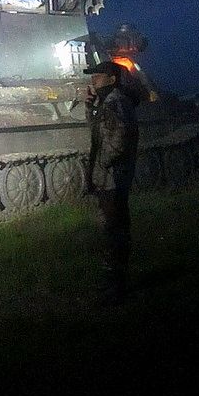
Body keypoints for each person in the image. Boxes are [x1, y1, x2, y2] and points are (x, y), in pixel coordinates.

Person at [84, 61, 140, 304]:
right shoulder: (108, 102)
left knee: (114, 230)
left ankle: (116, 286)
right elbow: (100, 132)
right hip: (109, 178)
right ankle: (114, 281)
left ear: (112, 79)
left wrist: (103, 162)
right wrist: (90, 108)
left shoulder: (116, 102)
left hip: (112, 179)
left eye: (99, 75)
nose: (94, 79)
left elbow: (120, 138)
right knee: (112, 229)